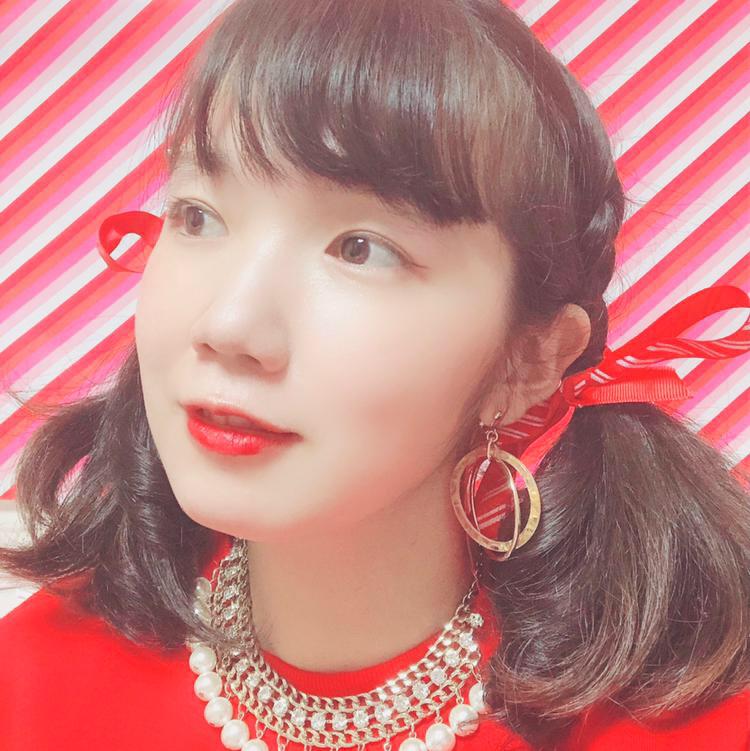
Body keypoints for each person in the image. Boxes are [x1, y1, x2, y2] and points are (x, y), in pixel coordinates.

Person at [0, 1, 748, 749]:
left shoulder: (682, 721)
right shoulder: (35, 677)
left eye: (361, 248)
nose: (228, 326)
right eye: (198, 216)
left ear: (529, 360)